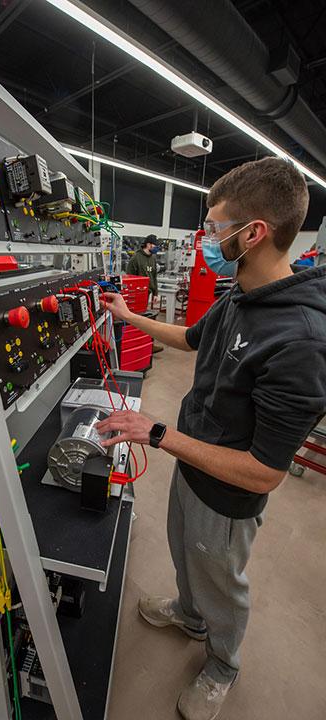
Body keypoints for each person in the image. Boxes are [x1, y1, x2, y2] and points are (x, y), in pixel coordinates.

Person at [98, 157, 326, 720]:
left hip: (228, 496)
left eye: (213, 226)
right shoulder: (240, 295)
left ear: (252, 234)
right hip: (192, 461)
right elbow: (190, 338)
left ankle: (223, 663)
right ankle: (189, 614)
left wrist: (157, 433)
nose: (204, 238)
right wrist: (128, 316)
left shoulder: (300, 340)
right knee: (184, 554)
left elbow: (264, 473)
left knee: (221, 581)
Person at [127, 234, 163, 353]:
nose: (156, 248)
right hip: (137, 295)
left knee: (145, 320)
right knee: (136, 320)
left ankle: (147, 344)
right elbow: (129, 278)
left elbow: (154, 277)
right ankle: (134, 346)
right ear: (148, 244)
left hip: (147, 294)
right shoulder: (136, 258)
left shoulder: (152, 258)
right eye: (155, 245)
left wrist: (155, 293)